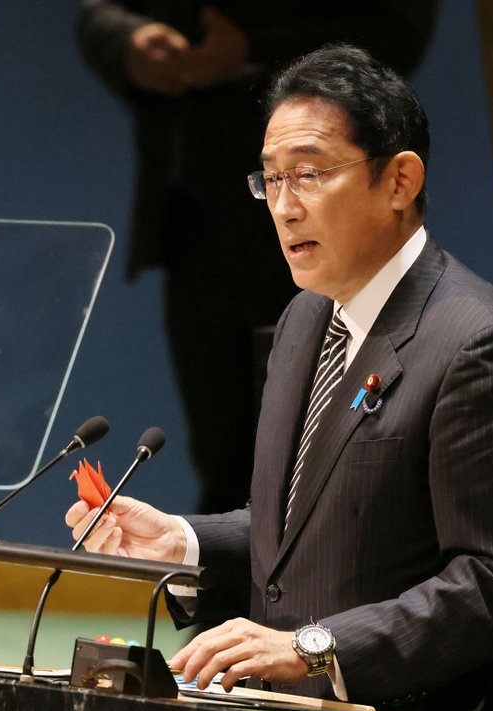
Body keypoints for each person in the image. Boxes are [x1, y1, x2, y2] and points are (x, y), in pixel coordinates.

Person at [67, 44, 493, 711]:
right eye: (270, 180)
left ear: (400, 180)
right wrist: (183, 543)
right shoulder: (305, 319)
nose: (284, 207)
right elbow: (316, 531)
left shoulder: (475, 343)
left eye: (310, 174)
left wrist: (314, 649)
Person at [76, 2, 438, 512]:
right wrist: (129, 42)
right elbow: (101, 11)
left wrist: (253, 51)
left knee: (335, 458)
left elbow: (397, 28)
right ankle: (223, 586)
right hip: (195, 214)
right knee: (224, 458)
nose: (279, 198)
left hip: (333, 230)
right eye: (270, 180)